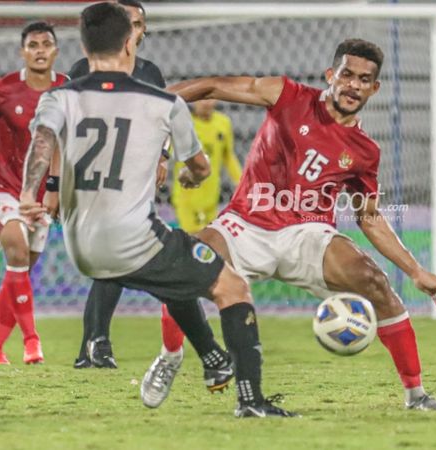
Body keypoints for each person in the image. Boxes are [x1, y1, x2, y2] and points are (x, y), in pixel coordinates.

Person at [19, 2, 294, 418]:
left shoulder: (60, 96)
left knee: (176, 273)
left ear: (83, 45)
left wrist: (31, 193)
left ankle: (211, 359)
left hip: (80, 244)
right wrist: (191, 175)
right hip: (132, 238)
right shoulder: (162, 102)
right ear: (129, 42)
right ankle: (251, 401)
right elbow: (199, 166)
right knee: (231, 286)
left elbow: (42, 142)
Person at [155, 38, 436, 411]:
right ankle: (171, 356)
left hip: (308, 234)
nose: (354, 85)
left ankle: (417, 395)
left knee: (376, 282)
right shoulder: (287, 95)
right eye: (347, 75)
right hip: (246, 223)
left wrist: (415, 270)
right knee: (180, 267)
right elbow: (214, 86)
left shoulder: (365, 151)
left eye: (365, 79)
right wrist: (152, 103)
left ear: (374, 88)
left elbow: (368, 216)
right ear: (331, 75)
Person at [61, 0, 190, 372]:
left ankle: (93, 345)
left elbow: (162, 118)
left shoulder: (150, 72)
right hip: (91, 178)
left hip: (133, 178)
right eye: (126, 23)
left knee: (112, 261)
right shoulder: (82, 69)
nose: (132, 29)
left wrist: (163, 157)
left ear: (143, 32)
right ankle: (96, 343)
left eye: (138, 24)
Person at [0, 21, 67, 365]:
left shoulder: (68, 90)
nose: (39, 50)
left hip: (42, 194)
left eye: (46, 44)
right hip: (4, 188)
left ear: (55, 51)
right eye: (32, 45)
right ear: (23, 52)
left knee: (18, 272)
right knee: (18, 251)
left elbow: (63, 144)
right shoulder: (2, 89)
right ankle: (32, 342)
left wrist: (56, 188)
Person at [172, 99, 242, 233]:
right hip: (187, 195)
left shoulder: (223, 122)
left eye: (209, 98)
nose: (206, 103)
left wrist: (241, 182)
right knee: (194, 239)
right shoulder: (185, 124)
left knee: (209, 242)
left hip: (211, 196)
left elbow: (228, 156)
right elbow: (169, 151)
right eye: (201, 98)